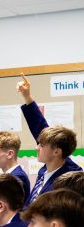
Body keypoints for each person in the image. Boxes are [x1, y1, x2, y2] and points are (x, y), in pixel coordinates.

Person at [16, 74, 81, 206]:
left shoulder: (71, 179)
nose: (36, 147)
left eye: (41, 145)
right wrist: (27, 96)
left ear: (57, 151)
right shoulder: (46, 169)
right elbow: (39, 126)